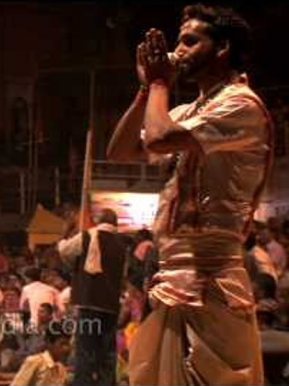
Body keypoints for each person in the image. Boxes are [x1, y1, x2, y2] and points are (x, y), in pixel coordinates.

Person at [107, 4, 272, 384]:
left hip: (212, 281)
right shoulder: (187, 110)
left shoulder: (240, 104)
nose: (177, 50)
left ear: (223, 48)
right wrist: (147, 88)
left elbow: (161, 138)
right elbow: (120, 150)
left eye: (189, 41)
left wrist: (161, 85)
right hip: (173, 278)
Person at [56, 208, 126, 386]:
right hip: (110, 305)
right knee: (107, 353)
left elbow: (64, 251)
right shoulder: (121, 243)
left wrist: (66, 231)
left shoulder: (88, 236)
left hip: (89, 303)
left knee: (85, 351)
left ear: (98, 221)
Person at [10, 320, 72, 386]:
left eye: (67, 344)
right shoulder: (35, 362)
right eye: (62, 344)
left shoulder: (61, 370)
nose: (66, 349)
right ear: (49, 343)